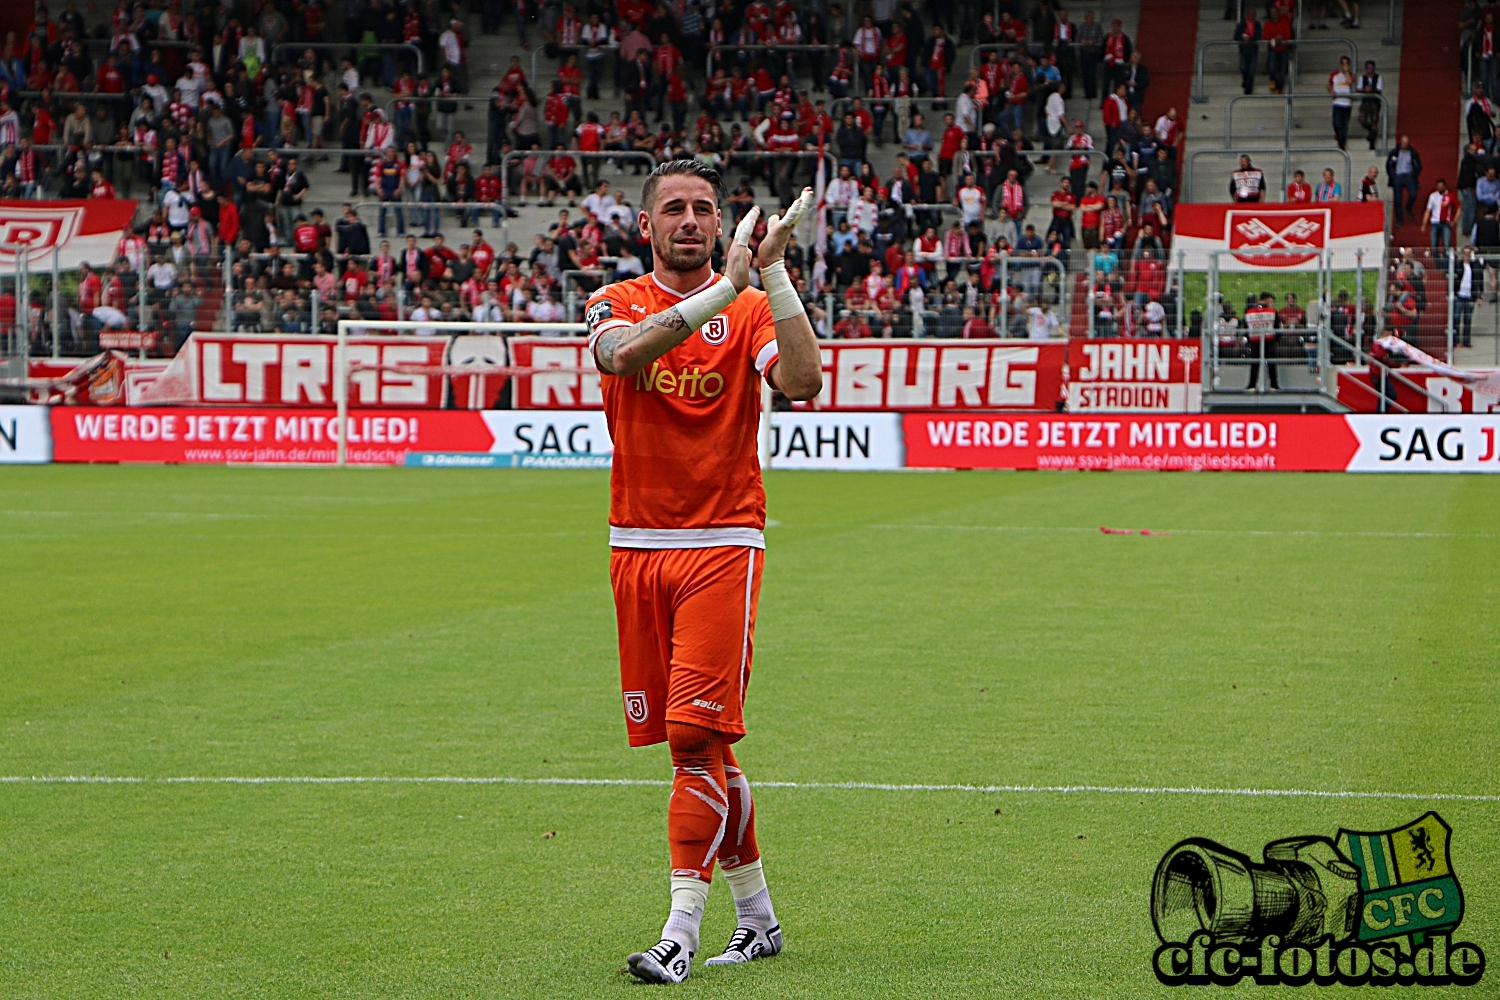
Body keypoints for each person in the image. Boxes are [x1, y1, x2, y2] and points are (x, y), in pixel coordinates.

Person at [584, 160, 822, 984]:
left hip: (724, 543)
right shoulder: (613, 301)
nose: (690, 219)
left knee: (692, 738)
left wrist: (775, 274)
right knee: (703, 747)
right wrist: (722, 290)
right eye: (674, 209)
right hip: (634, 548)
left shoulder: (754, 306)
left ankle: (679, 932)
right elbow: (622, 358)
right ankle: (757, 917)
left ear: (721, 224)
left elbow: (802, 380)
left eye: (705, 209)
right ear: (645, 226)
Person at [1386, 135, 1422, 227]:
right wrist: (1393, 175)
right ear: (1400, 142)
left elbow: (1419, 165)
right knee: (1398, 200)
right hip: (1398, 176)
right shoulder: (1395, 152)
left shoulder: (1413, 153)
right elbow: (1389, 165)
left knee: (1413, 195)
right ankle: (1400, 221)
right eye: (1403, 142)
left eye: (1406, 142)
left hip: (1409, 176)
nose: (1404, 144)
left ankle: (1408, 207)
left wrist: (1414, 174)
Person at [1422, 178, 1458, 251]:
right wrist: (1424, 224)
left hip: (1446, 223)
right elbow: (1428, 210)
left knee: (1446, 245)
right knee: (1434, 246)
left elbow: (1459, 208)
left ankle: (1446, 261)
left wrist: (1454, 220)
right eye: (1438, 187)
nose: (1440, 188)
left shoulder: (1451, 196)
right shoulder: (1433, 196)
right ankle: (1438, 261)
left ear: (1445, 186)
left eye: (1441, 187)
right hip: (1435, 222)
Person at [1328, 57, 1355, 151]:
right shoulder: (1334, 75)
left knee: (1344, 125)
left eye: (1346, 63)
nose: (1345, 65)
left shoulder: (1351, 75)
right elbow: (1329, 84)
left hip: (1347, 103)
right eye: (1343, 63)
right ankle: (1337, 134)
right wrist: (1331, 91)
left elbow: (1350, 82)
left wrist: (1346, 72)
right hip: (1337, 102)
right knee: (1336, 122)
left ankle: (1342, 144)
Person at [1234, 7, 1261, 96]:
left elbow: (1259, 35)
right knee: (1243, 67)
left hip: (1253, 49)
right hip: (1244, 49)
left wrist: (1251, 39)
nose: (1252, 16)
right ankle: (1246, 81)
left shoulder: (1257, 24)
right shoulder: (1241, 24)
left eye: (1253, 15)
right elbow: (1236, 36)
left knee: (1252, 69)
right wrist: (1243, 38)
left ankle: (1249, 88)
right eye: (1250, 14)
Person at [1358, 61, 1384, 151]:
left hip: (1374, 103)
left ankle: (1372, 143)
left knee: (1374, 123)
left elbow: (1379, 90)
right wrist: (1365, 90)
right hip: (1365, 102)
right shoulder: (1362, 78)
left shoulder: (1378, 77)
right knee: (1362, 120)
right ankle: (1371, 132)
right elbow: (1359, 89)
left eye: (1371, 68)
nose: (1370, 70)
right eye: (1368, 68)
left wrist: (1371, 90)